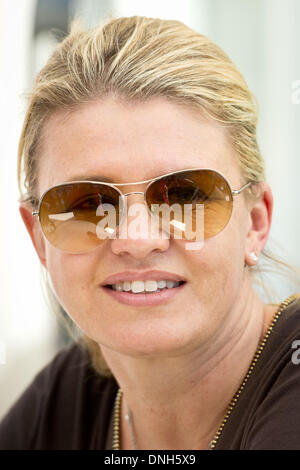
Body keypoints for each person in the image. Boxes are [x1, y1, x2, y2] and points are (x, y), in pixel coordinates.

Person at [0, 15, 300, 451]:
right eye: (88, 203)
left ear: (255, 223)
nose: (137, 239)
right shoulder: (69, 394)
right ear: (39, 238)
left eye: (184, 195)